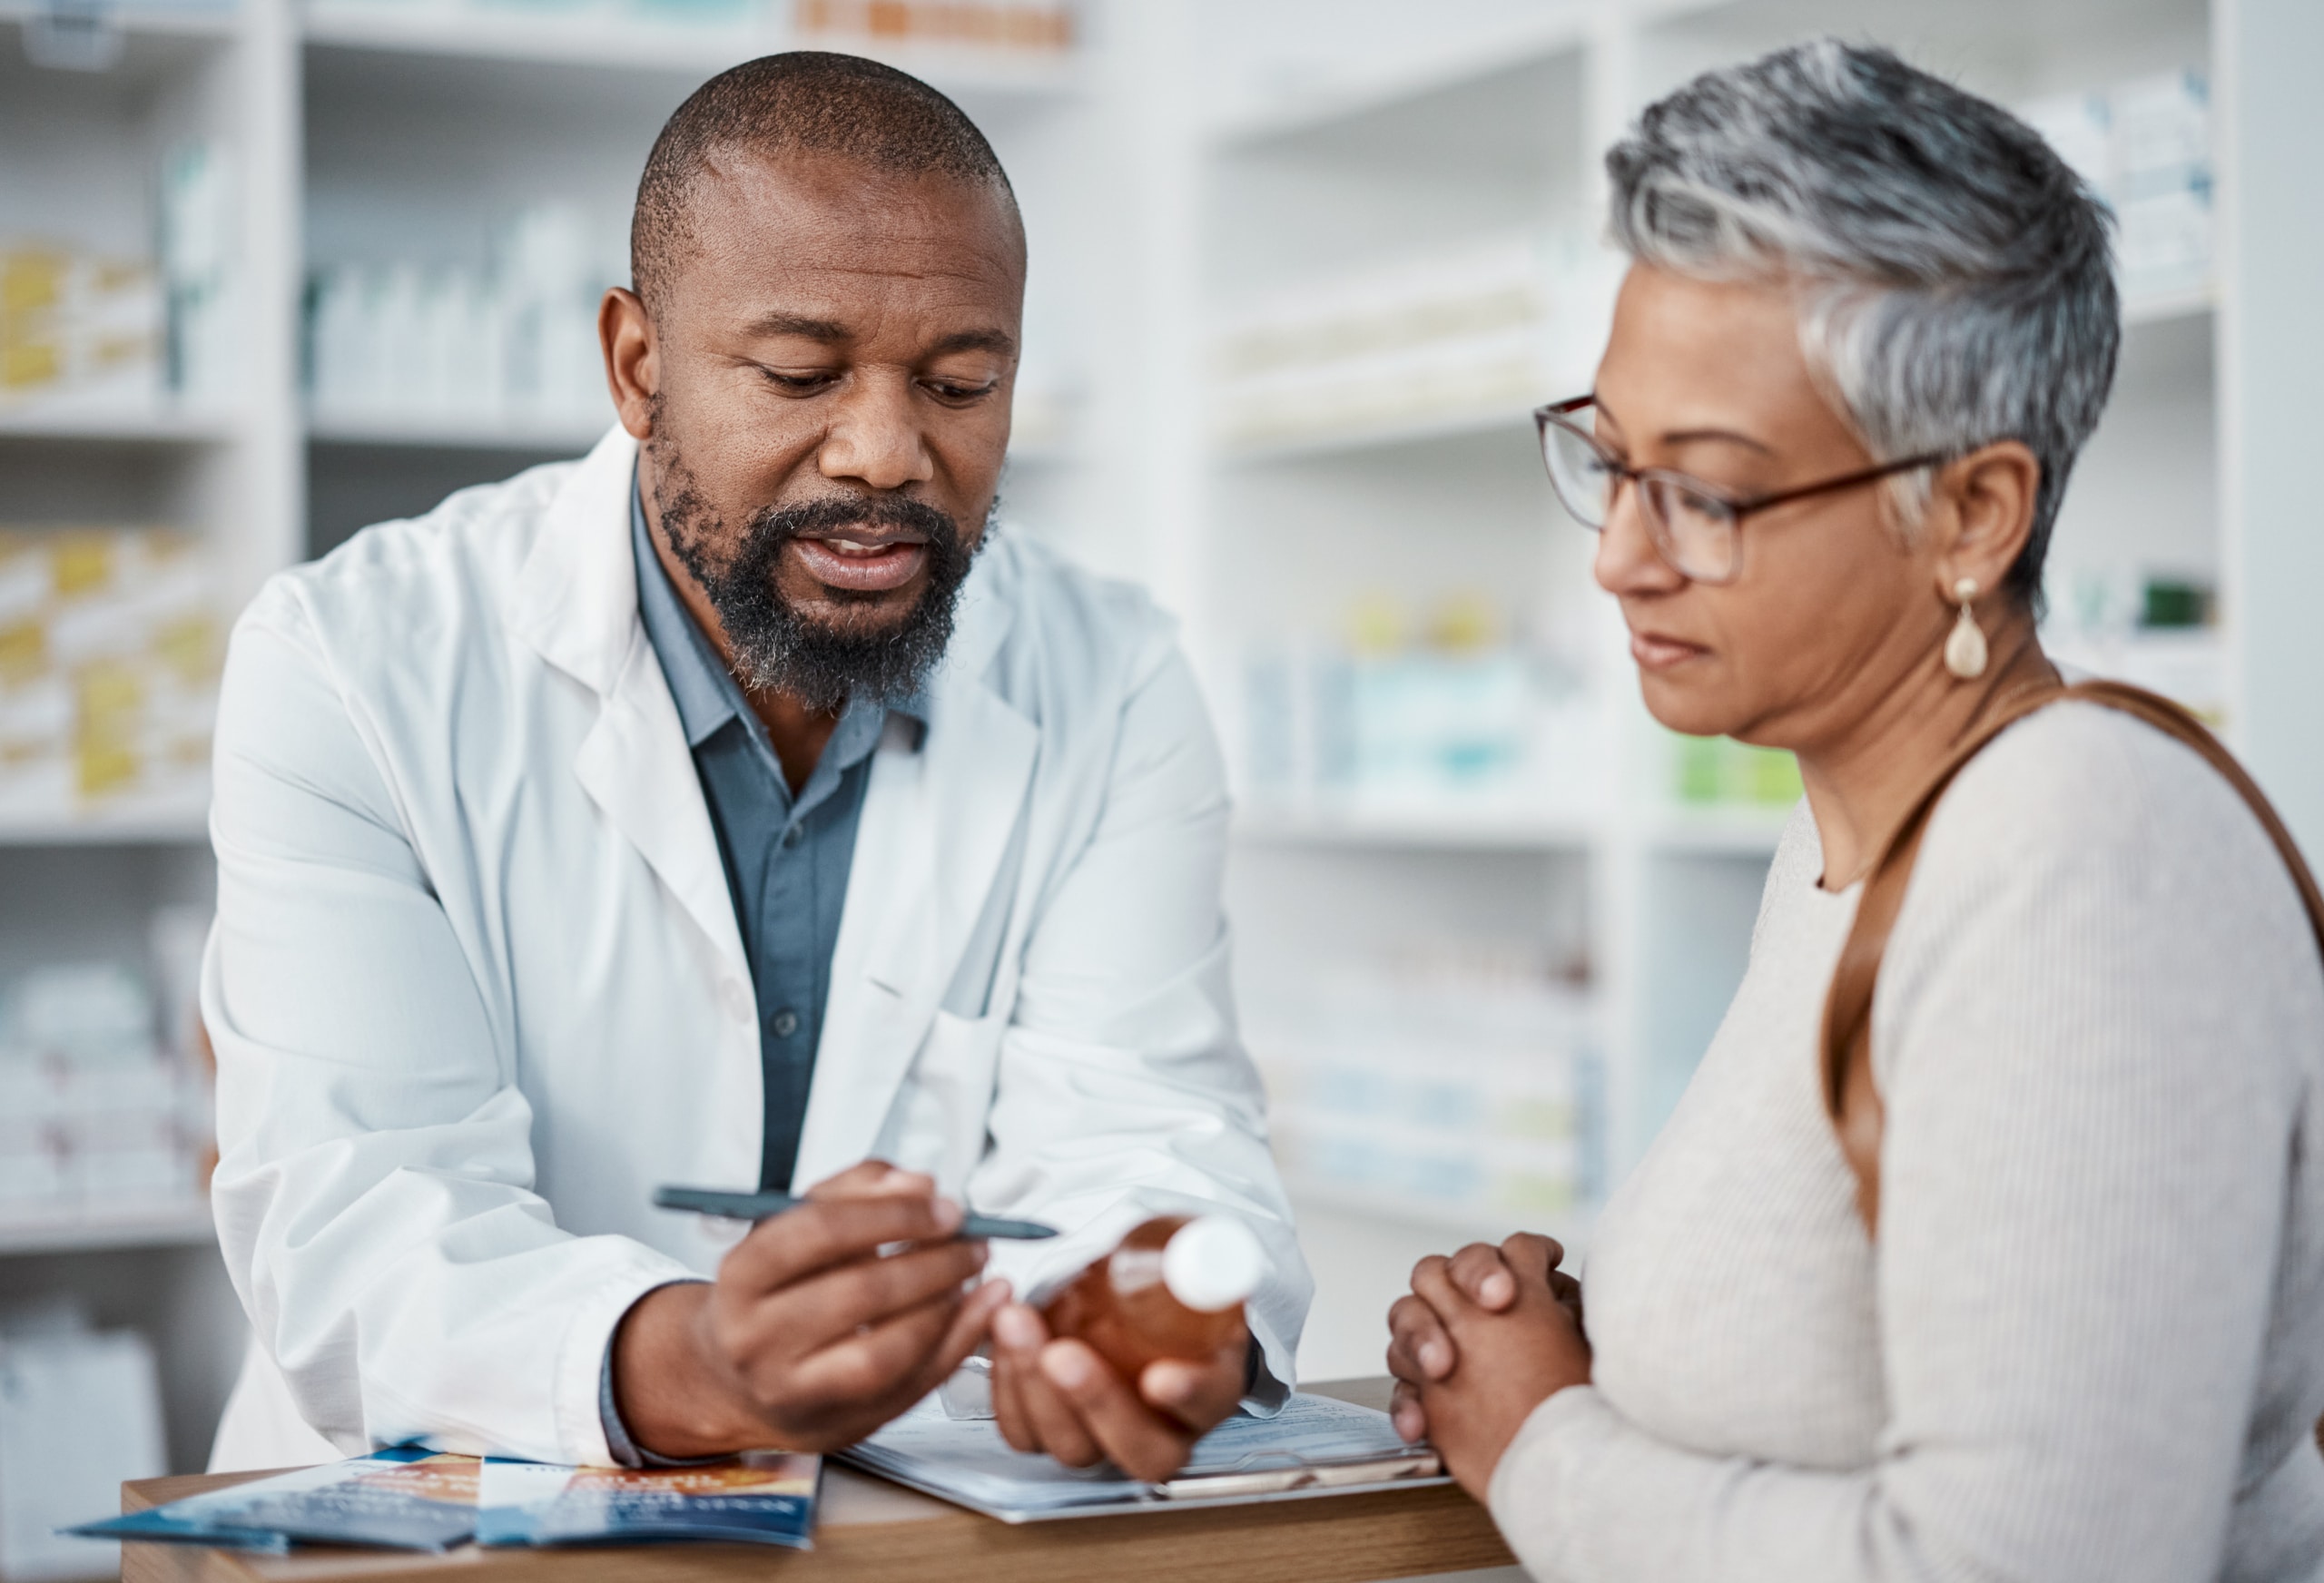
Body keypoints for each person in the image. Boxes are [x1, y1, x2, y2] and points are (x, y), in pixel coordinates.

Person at [202, 52, 1309, 1480]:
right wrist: (695, 1366)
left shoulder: (1114, 677)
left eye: (962, 383)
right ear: (637, 367)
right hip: (441, 1525)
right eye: (801, 374)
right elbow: (353, 1223)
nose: (885, 452)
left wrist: (1150, 1301)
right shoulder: (350, 663)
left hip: (904, 1536)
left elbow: (1149, 1121)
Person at [1384, 40, 2324, 1583]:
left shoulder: (2080, 853)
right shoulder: (1846, 845)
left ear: (1971, 514)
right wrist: (1565, 1336)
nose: (1621, 554)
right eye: (1613, 461)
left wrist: (1546, 1442)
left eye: (1708, 490)